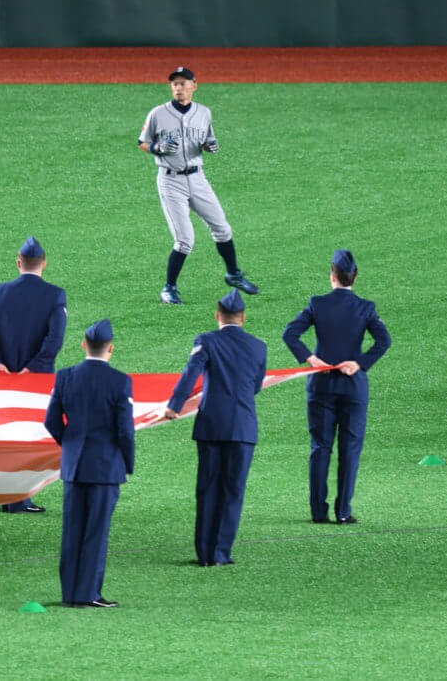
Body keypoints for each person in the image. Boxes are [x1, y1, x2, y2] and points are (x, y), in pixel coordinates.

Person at [283, 249, 391, 524]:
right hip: (353, 388)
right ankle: (343, 512)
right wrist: (360, 363)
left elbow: (290, 334)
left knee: (320, 448)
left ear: (332, 276)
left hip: (321, 386)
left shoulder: (317, 304)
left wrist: (311, 359)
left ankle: (318, 512)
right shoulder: (366, 307)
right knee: (350, 450)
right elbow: (383, 341)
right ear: (355, 277)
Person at [138, 65, 260, 305]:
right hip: (170, 180)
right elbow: (143, 142)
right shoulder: (157, 113)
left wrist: (211, 146)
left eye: (183, 83)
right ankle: (168, 288)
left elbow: (208, 139)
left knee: (223, 229)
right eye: (175, 84)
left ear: (194, 86)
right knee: (185, 240)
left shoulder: (204, 113)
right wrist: (156, 147)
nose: (178, 88)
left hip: (197, 178)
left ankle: (233, 274)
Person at [163, 289, 267, 566]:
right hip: (243, 427)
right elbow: (256, 386)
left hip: (211, 425)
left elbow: (190, 374)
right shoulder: (259, 346)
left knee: (208, 488)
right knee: (233, 490)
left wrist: (174, 404)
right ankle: (222, 552)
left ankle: (206, 554)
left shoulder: (206, 341)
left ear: (217, 316)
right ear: (243, 318)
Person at [0, 235, 67, 513]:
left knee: (6, 435)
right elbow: (54, 339)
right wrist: (34, 368)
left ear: (18, 262)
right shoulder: (54, 295)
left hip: (3, 379)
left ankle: (5, 493)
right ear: (44, 264)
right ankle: (17, 498)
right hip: (37, 381)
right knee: (29, 437)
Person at [44, 320, 135, 608]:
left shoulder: (65, 376)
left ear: (84, 344)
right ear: (111, 348)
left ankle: (70, 593)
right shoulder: (120, 381)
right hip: (106, 467)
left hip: (74, 466)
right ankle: (88, 594)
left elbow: (51, 421)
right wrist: (127, 463)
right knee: (96, 531)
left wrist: (69, 446)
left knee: (72, 531)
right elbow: (125, 430)